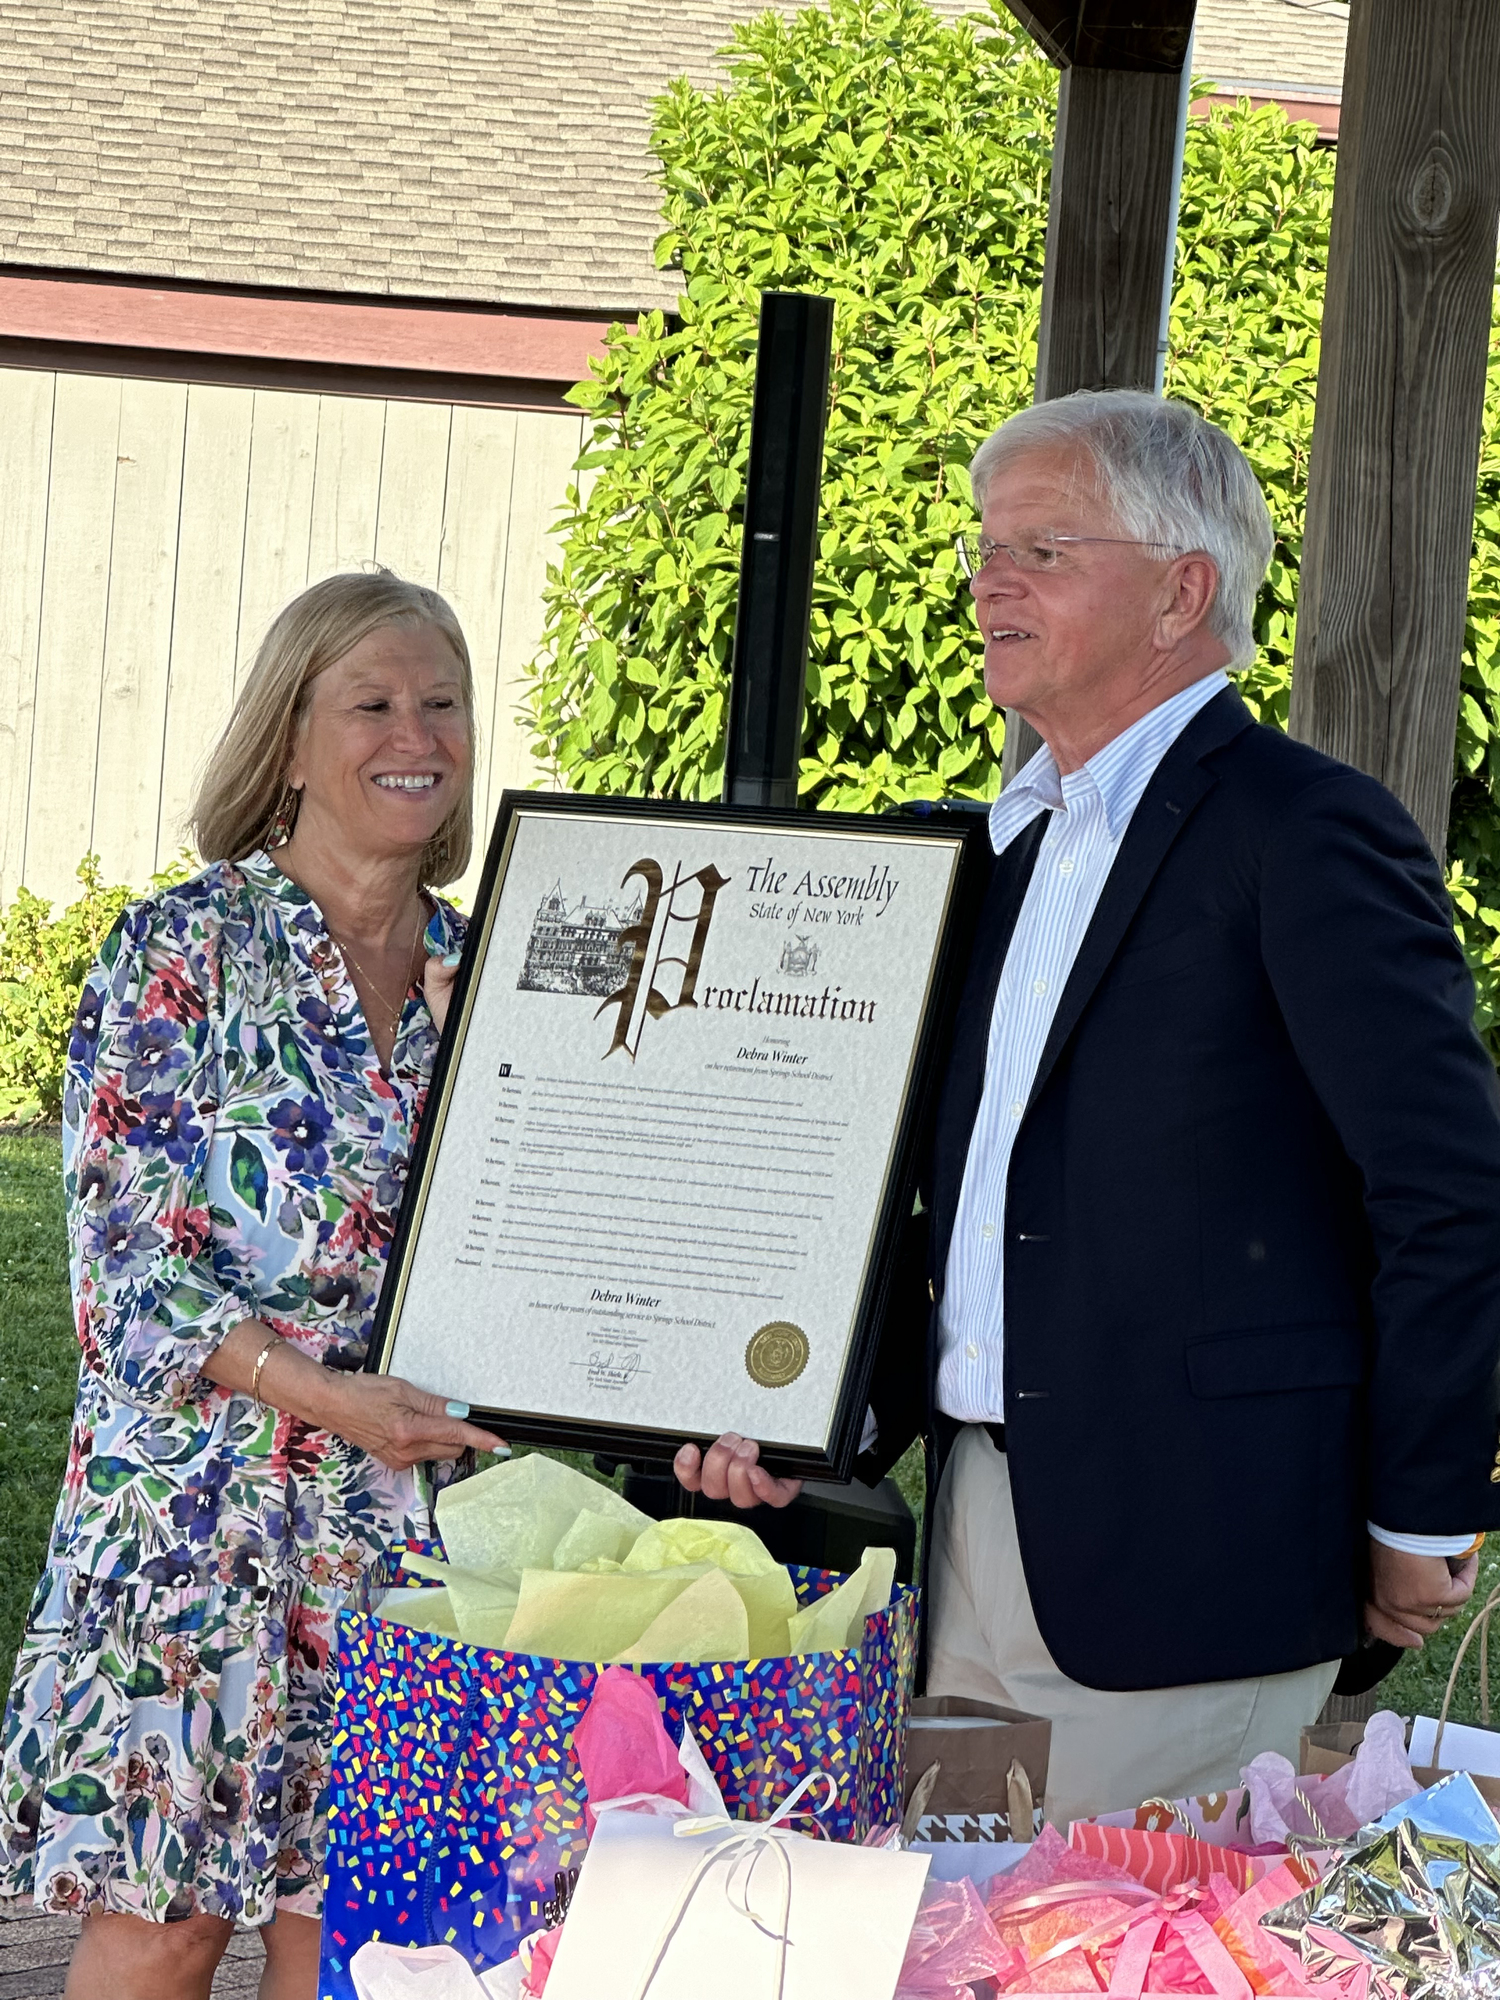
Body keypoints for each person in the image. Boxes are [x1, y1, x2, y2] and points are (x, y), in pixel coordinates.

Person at [677, 390, 1500, 1824]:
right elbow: (944, 1194)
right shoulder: (988, 852)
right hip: (982, 1521)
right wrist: (786, 1410)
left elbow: (1448, 1186)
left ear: (1184, 592)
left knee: (1110, 1955)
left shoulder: (1305, 831)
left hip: (1197, 1541)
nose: (991, 582)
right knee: (966, 1941)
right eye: (988, 550)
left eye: (1044, 551)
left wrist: (1419, 1506)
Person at [0, 571, 504, 1999]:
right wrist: (318, 1394)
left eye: (444, 701)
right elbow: (120, 1267)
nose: (417, 732)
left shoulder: (499, 975)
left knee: (362, 1935)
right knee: (165, 1925)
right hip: (195, 1520)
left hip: (405, 1527)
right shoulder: (182, 947)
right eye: (375, 702)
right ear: (288, 739)